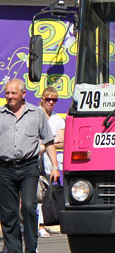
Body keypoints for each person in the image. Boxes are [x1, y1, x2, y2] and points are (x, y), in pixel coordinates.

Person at [0, 79, 59, 253]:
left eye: (13, 93)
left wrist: (55, 166)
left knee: (28, 206)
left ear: (23, 94)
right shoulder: (0, 114)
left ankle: (31, 252)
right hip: (5, 167)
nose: (9, 96)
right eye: (7, 93)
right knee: (8, 212)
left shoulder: (36, 114)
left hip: (28, 167)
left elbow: (49, 141)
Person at [36, 87, 64, 238]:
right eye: (48, 99)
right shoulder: (34, 115)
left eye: (54, 99)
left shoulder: (58, 119)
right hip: (31, 162)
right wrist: (51, 141)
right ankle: (38, 225)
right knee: (32, 196)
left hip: (48, 164)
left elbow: (61, 142)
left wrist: (45, 144)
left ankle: (39, 224)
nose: (51, 102)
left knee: (42, 196)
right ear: (42, 99)